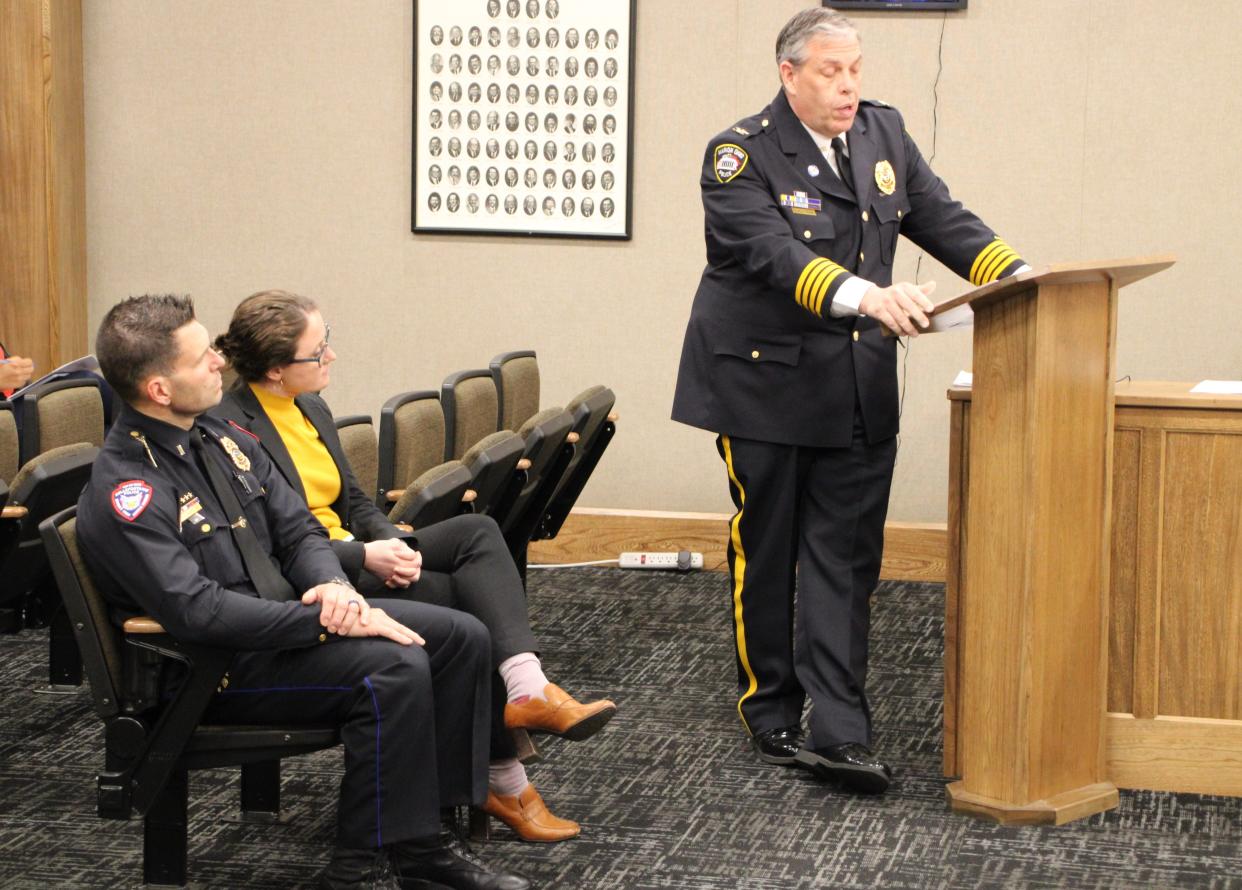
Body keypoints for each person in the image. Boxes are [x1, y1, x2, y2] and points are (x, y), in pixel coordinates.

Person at [670, 7, 1028, 794]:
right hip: (761, 386)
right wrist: (870, 297)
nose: (848, 86)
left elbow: (942, 217)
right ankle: (770, 710)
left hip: (856, 388)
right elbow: (771, 254)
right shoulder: (739, 156)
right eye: (830, 72)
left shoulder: (882, 134)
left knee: (844, 557)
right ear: (788, 72)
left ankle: (838, 729)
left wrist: (1019, 276)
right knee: (769, 551)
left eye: (856, 69)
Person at [76, 294, 529, 890]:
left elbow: (298, 529)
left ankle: (424, 842)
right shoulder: (128, 490)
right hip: (220, 670)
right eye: (203, 357)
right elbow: (199, 611)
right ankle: (366, 866)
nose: (218, 361)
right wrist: (326, 622)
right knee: (393, 665)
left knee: (460, 637)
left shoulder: (218, 435)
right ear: (160, 389)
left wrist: (332, 586)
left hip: (284, 629)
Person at [212, 290, 617, 842]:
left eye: (327, 339)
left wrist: (389, 539)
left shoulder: (310, 406)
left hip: (357, 551)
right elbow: (265, 545)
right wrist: (362, 555)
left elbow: (352, 500)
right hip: (311, 580)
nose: (330, 356)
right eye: (318, 351)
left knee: (477, 533)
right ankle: (504, 777)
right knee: (457, 603)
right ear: (278, 370)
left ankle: (528, 690)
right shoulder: (228, 429)